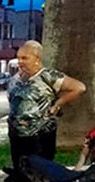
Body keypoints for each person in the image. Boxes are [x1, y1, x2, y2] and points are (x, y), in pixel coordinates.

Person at [8, 40, 86, 169]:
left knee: (41, 171)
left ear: (37, 58)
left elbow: (79, 88)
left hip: (40, 135)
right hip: (17, 135)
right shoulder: (16, 78)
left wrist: (57, 104)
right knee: (20, 170)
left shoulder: (48, 76)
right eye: (18, 58)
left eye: (24, 58)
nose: (20, 62)